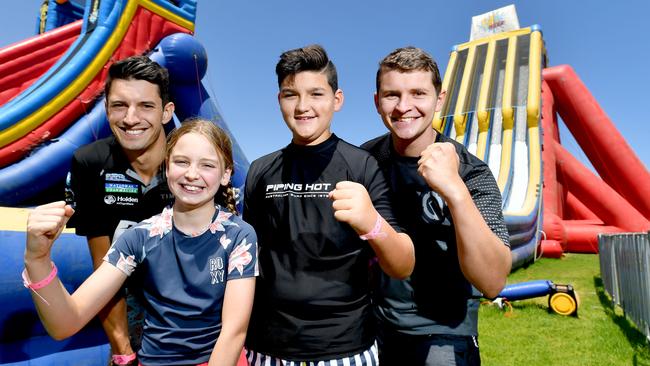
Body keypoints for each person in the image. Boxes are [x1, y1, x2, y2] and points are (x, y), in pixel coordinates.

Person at [24, 119, 258, 366]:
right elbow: (65, 323)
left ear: (226, 174)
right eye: (181, 162)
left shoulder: (238, 236)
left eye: (207, 165)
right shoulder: (140, 237)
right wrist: (37, 260)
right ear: (167, 168)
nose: (192, 174)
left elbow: (233, 332)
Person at [243, 44, 415, 365]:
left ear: (337, 101)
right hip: (267, 346)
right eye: (290, 94)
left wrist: (372, 223)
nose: (303, 106)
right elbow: (248, 265)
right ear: (279, 100)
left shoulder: (362, 166)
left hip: (345, 347)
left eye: (316, 94)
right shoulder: (260, 171)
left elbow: (402, 264)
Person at [362, 46, 512, 365]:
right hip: (369, 328)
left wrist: (455, 191)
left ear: (439, 100)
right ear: (377, 102)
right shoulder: (364, 162)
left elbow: (493, 281)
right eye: (392, 95)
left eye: (418, 93)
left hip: (444, 331)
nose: (405, 107)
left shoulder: (472, 171)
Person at [65, 55, 175, 365]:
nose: (130, 118)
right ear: (106, 108)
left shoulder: (192, 162)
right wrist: (122, 350)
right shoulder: (89, 163)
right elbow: (103, 269)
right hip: (129, 308)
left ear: (167, 112)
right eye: (119, 105)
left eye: (145, 106)